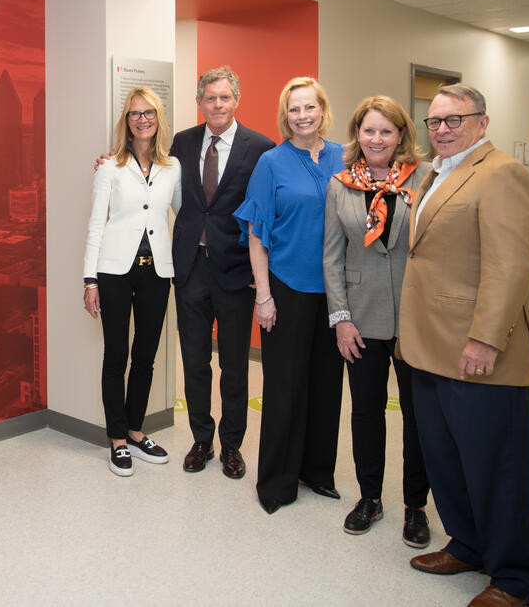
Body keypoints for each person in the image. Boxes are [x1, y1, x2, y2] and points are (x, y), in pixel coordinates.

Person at [399, 84, 529, 607]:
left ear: (482, 123)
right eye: (433, 121)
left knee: (495, 465)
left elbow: (509, 268)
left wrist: (486, 339)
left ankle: (514, 578)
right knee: (446, 459)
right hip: (429, 347)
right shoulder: (437, 173)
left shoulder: (501, 172)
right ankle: (467, 545)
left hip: (477, 351)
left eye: (453, 120)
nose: (441, 129)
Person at [322, 96, 431, 546]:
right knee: (366, 413)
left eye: (387, 131)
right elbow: (332, 257)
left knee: (417, 417)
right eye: (369, 130)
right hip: (361, 320)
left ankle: (415, 506)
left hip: (415, 319)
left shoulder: (424, 179)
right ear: (357, 135)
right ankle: (370, 497)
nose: (377, 139)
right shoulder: (341, 184)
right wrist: (341, 319)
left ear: (402, 134)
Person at [234, 76, 345, 514]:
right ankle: (277, 482)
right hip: (287, 287)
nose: (302, 116)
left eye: (309, 107)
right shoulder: (272, 162)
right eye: (294, 109)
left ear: (322, 109)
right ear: (286, 115)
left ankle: (317, 472)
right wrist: (263, 295)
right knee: (284, 386)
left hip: (336, 292)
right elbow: (256, 234)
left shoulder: (343, 156)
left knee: (326, 384)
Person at [170, 67, 274, 478]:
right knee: (194, 361)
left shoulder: (260, 148)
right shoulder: (183, 141)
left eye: (224, 98)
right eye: (210, 98)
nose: (217, 105)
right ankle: (201, 439)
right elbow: (154, 175)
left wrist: (261, 271)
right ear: (201, 101)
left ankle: (232, 445)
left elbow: (266, 212)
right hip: (191, 267)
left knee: (234, 364)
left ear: (236, 100)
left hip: (235, 272)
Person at [83, 87, 181, 476]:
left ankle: (137, 432)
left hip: (157, 271)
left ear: (159, 119)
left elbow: (186, 214)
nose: (142, 119)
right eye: (134, 114)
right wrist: (90, 280)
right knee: (116, 355)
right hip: (114, 272)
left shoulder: (173, 168)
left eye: (149, 113)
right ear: (126, 121)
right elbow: (96, 224)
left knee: (146, 356)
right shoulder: (110, 167)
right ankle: (118, 439)